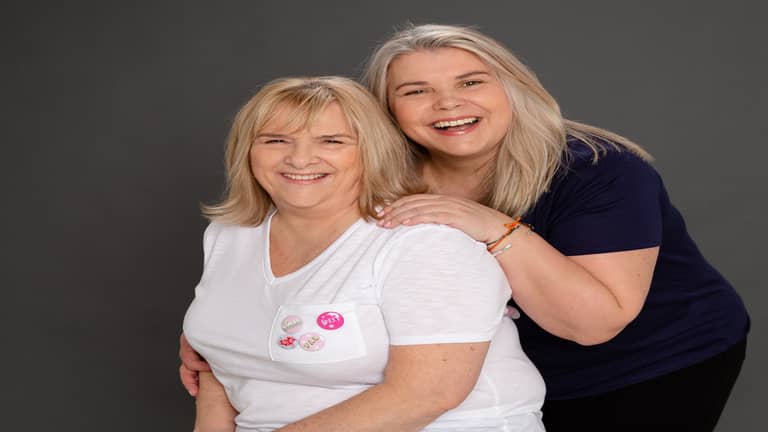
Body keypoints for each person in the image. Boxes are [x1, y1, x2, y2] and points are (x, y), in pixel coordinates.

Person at [181, 25, 750, 430]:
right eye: (415, 91)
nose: (446, 103)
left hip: (649, 359)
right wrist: (223, 336)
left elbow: (594, 323)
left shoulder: (598, 170)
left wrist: (491, 225)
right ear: (385, 112)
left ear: (511, 88)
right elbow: (315, 270)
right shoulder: (376, 171)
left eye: (471, 82)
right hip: (498, 365)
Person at [182, 76, 546, 432]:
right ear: (247, 150)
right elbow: (220, 364)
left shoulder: (426, 243)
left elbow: (426, 394)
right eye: (276, 140)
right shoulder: (231, 234)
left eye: (331, 141)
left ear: (371, 151)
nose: (300, 159)